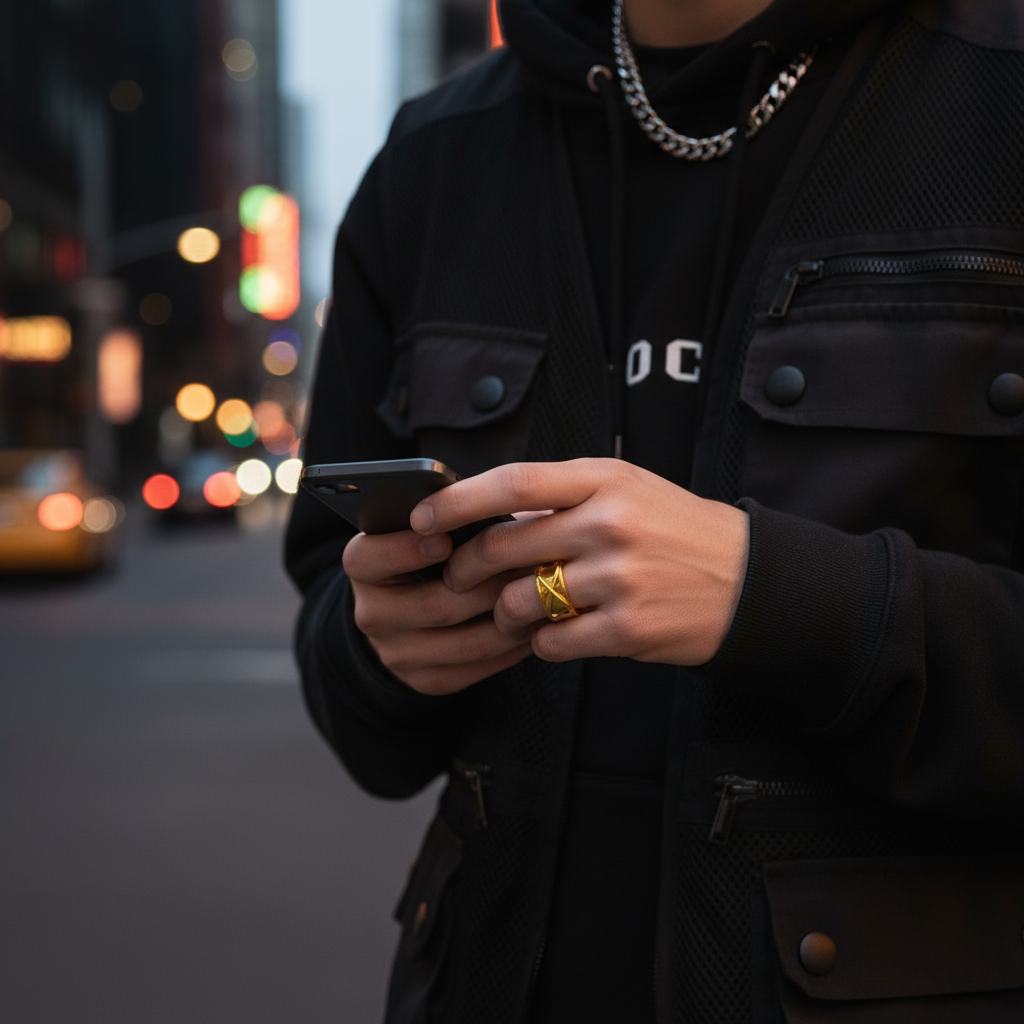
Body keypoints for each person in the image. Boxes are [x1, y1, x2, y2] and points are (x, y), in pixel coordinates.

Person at [285, 0, 1024, 1021]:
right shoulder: (434, 158)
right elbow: (351, 690)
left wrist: (775, 598)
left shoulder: (996, 93)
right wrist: (384, 648)